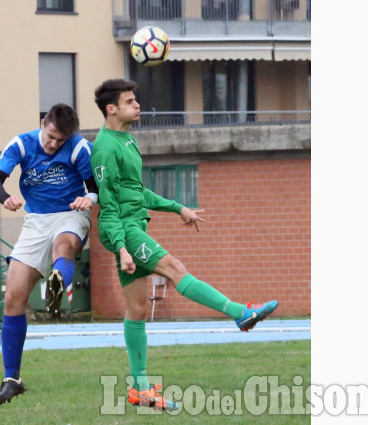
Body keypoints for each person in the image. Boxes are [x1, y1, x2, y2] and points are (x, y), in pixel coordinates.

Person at [90, 79, 279, 411]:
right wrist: (121, 247)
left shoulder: (128, 141)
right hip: (123, 229)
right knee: (176, 269)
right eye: (130, 101)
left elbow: (138, 193)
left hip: (132, 224)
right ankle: (240, 313)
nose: (137, 105)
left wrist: (178, 207)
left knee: (136, 309)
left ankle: (140, 389)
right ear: (111, 109)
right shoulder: (105, 147)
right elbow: (107, 205)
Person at [0, 103, 98, 405]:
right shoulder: (22, 143)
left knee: (64, 246)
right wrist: (6, 198)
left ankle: (57, 282)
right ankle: (12, 379)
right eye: (50, 136)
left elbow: (94, 187)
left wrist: (87, 199)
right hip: (35, 221)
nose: (53, 144)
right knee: (14, 297)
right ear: (42, 123)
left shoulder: (79, 148)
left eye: (60, 140)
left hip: (69, 214)